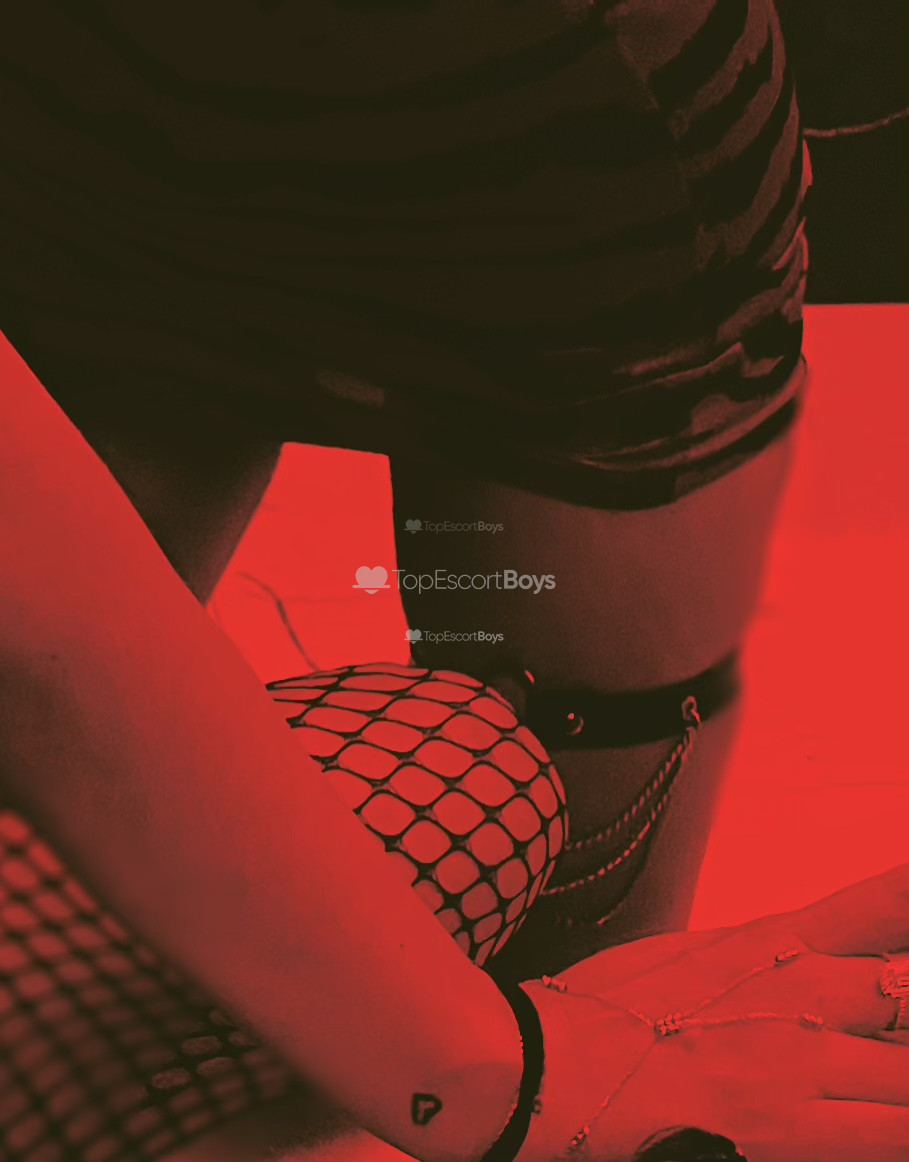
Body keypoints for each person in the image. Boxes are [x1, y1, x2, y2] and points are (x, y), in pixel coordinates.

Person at [1, 2, 907, 1161]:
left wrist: (494, 1066)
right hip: (89, 139)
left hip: (572, 146)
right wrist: (491, 1076)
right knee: (532, 953)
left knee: (522, 843)